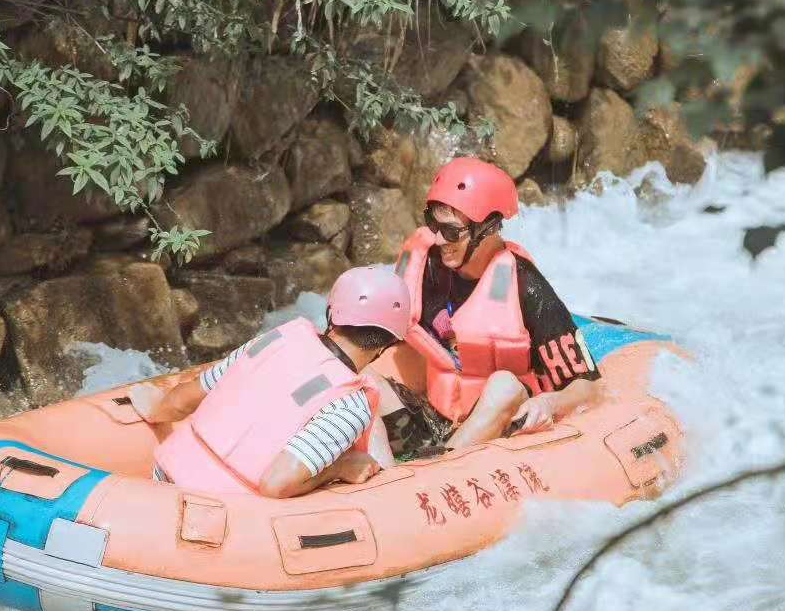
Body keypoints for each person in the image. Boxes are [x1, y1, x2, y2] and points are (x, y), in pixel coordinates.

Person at [131, 266, 411, 498]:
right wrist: (340, 467)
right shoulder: (351, 405)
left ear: (332, 314)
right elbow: (276, 484)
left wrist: (154, 405)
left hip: (163, 479)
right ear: (385, 346)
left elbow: (179, 403)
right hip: (214, 514)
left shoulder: (275, 339)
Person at [388, 157, 602, 451]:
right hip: (438, 407)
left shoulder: (528, 287)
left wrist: (551, 402)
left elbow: (588, 387)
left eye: (451, 232)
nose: (439, 239)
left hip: (498, 415)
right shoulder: (428, 265)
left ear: (487, 229)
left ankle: (441, 465)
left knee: (504, 384)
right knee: (376, 373)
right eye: (432, 224)